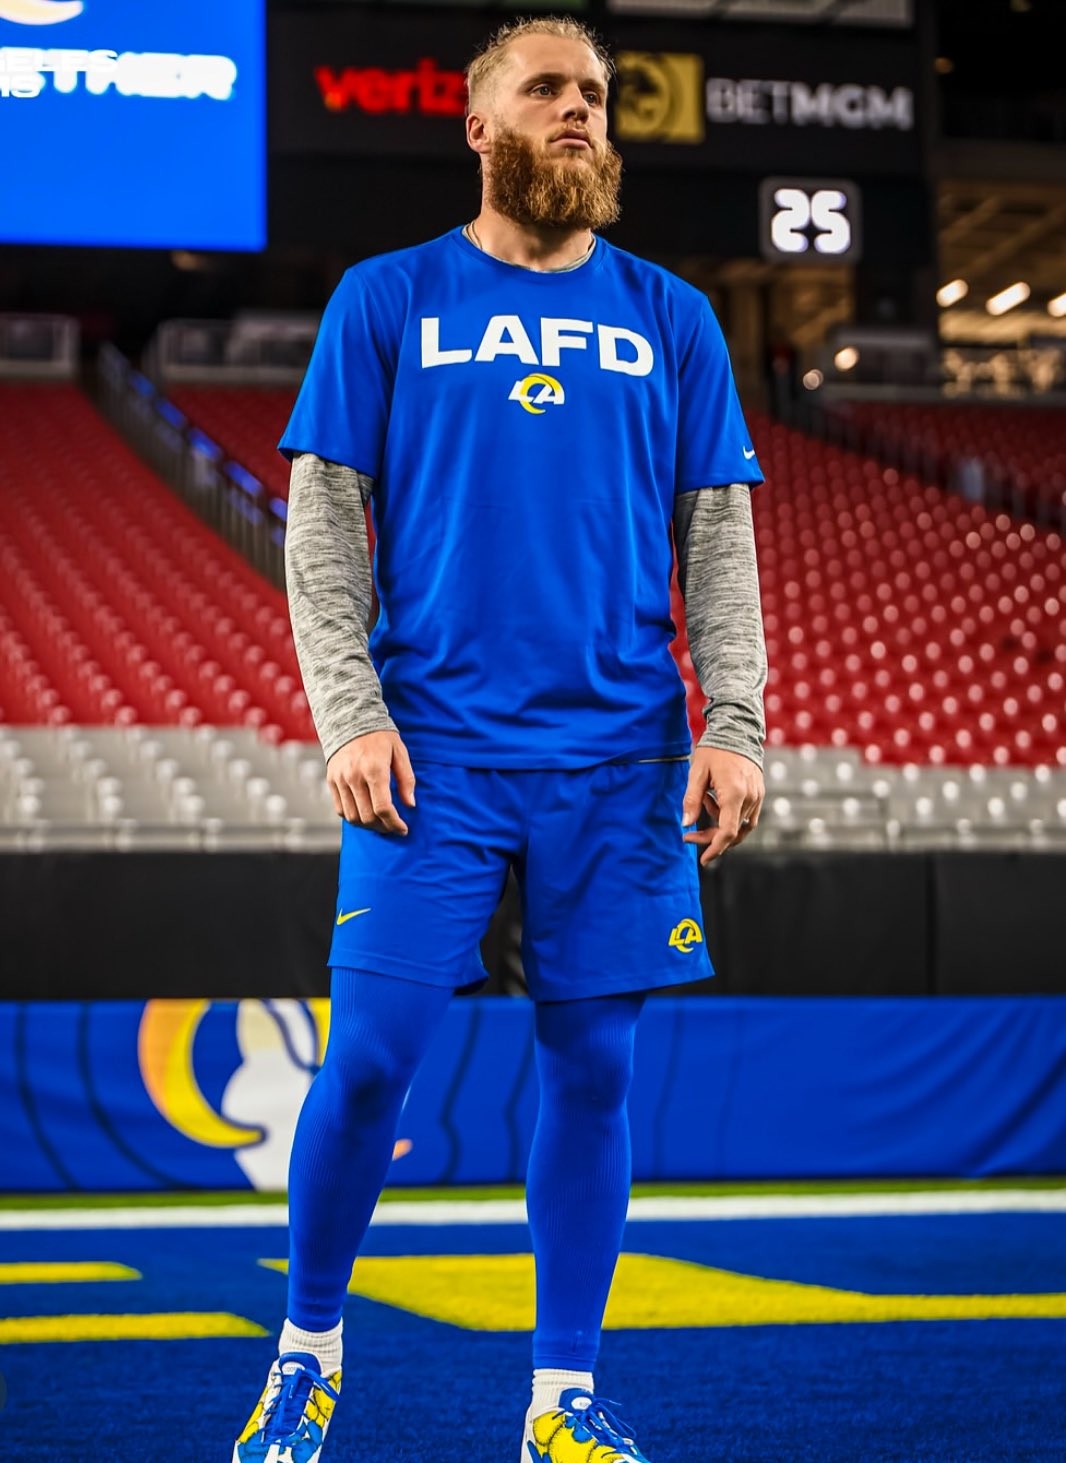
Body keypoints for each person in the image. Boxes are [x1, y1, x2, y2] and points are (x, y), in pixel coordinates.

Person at [233, 16, 767, 1463]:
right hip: (435, 757)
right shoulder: (387, 296)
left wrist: (733, 723)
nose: (579, 111)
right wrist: (350, 714)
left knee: (594, 1073)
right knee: (368, 1063)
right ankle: (308, 1355)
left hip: (622, 762)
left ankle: (560, 1402)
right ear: (479, 127)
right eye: (546, 91)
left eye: (594, 94)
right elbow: (323, 532)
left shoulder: (671, 316)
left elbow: (716, 542)